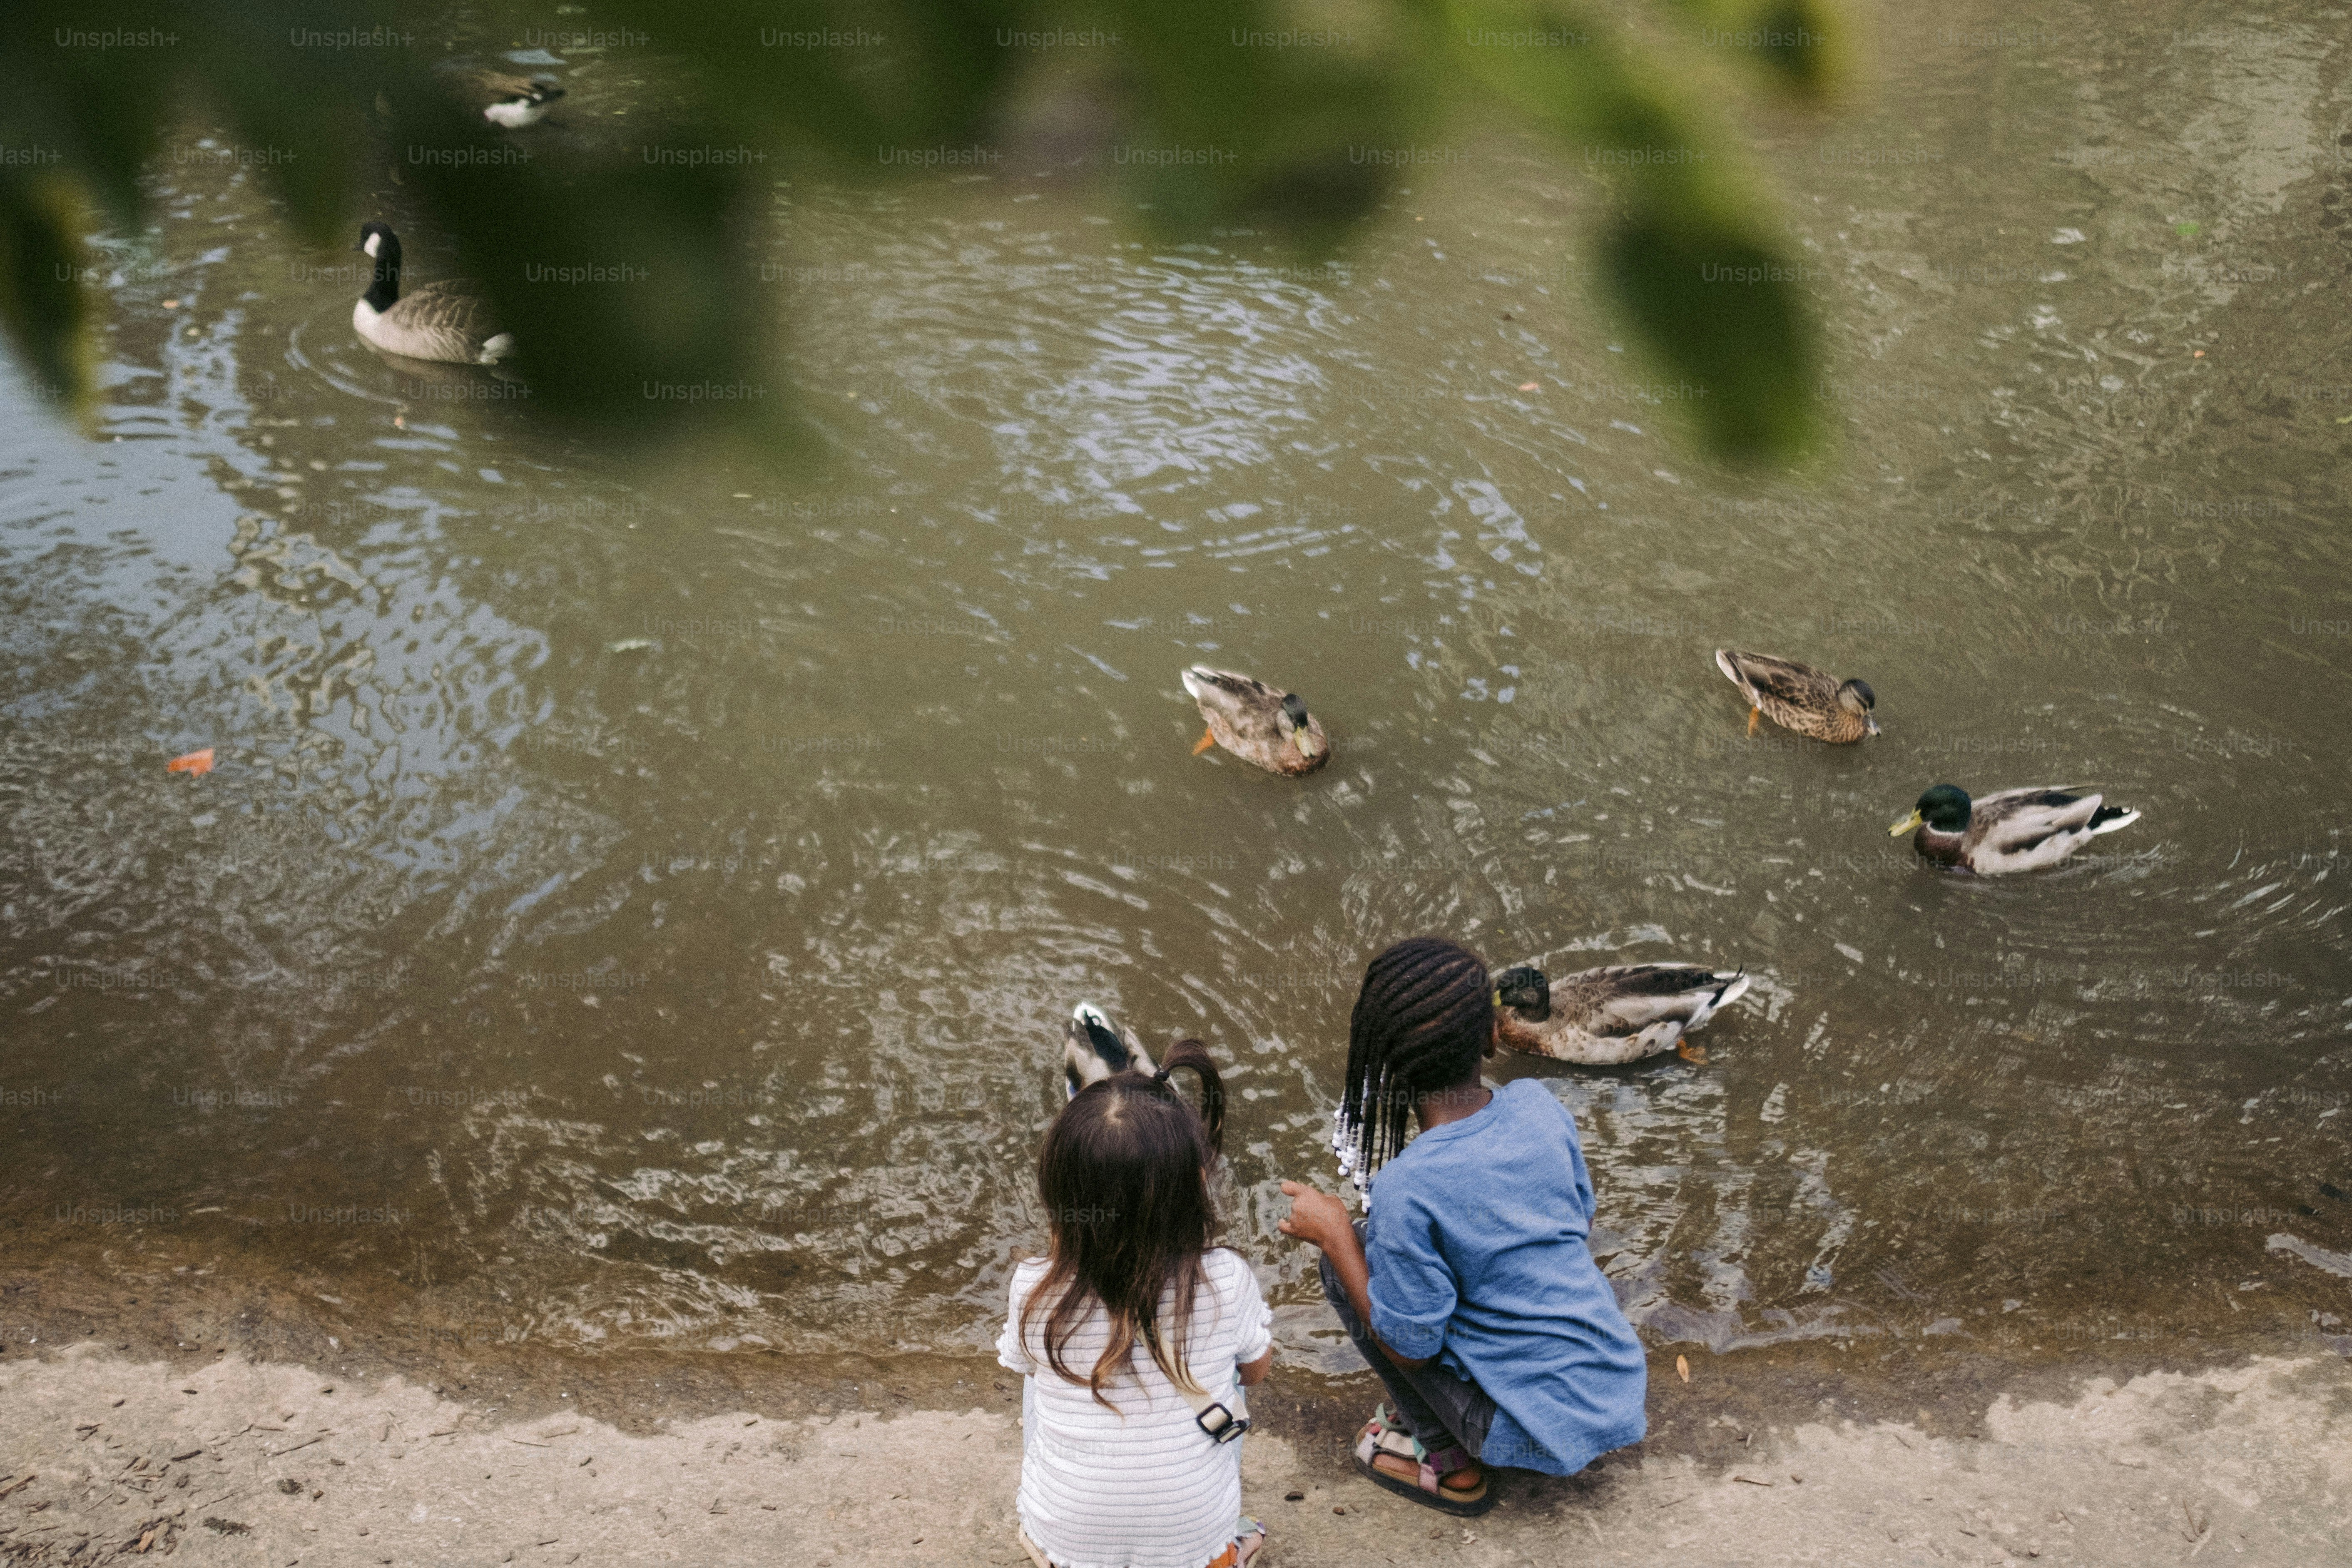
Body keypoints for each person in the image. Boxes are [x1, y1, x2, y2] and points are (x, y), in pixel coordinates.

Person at [1278, 936, 1647, 1513]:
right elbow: (1579, 1218)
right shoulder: (1538, 1104)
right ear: (1494, 1034)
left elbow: (1410, 1352)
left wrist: (1333, 1232)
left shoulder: (1408, 1186)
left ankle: (1450, 1464)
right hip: (1617, 1385)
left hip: (1532, 1431)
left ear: (1387, 1068)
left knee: (1348, 1255)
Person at [1000, 1037, 1273, 1568]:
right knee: (1230, 1380)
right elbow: (1258, 1373)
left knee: (1039, 1379)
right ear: (1197, 1184)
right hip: (1192, 1544)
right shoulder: (1226, 1278)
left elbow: (1023, 1364)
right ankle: (1225, 1551)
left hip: (1066, 1542)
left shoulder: (1033, 1286)